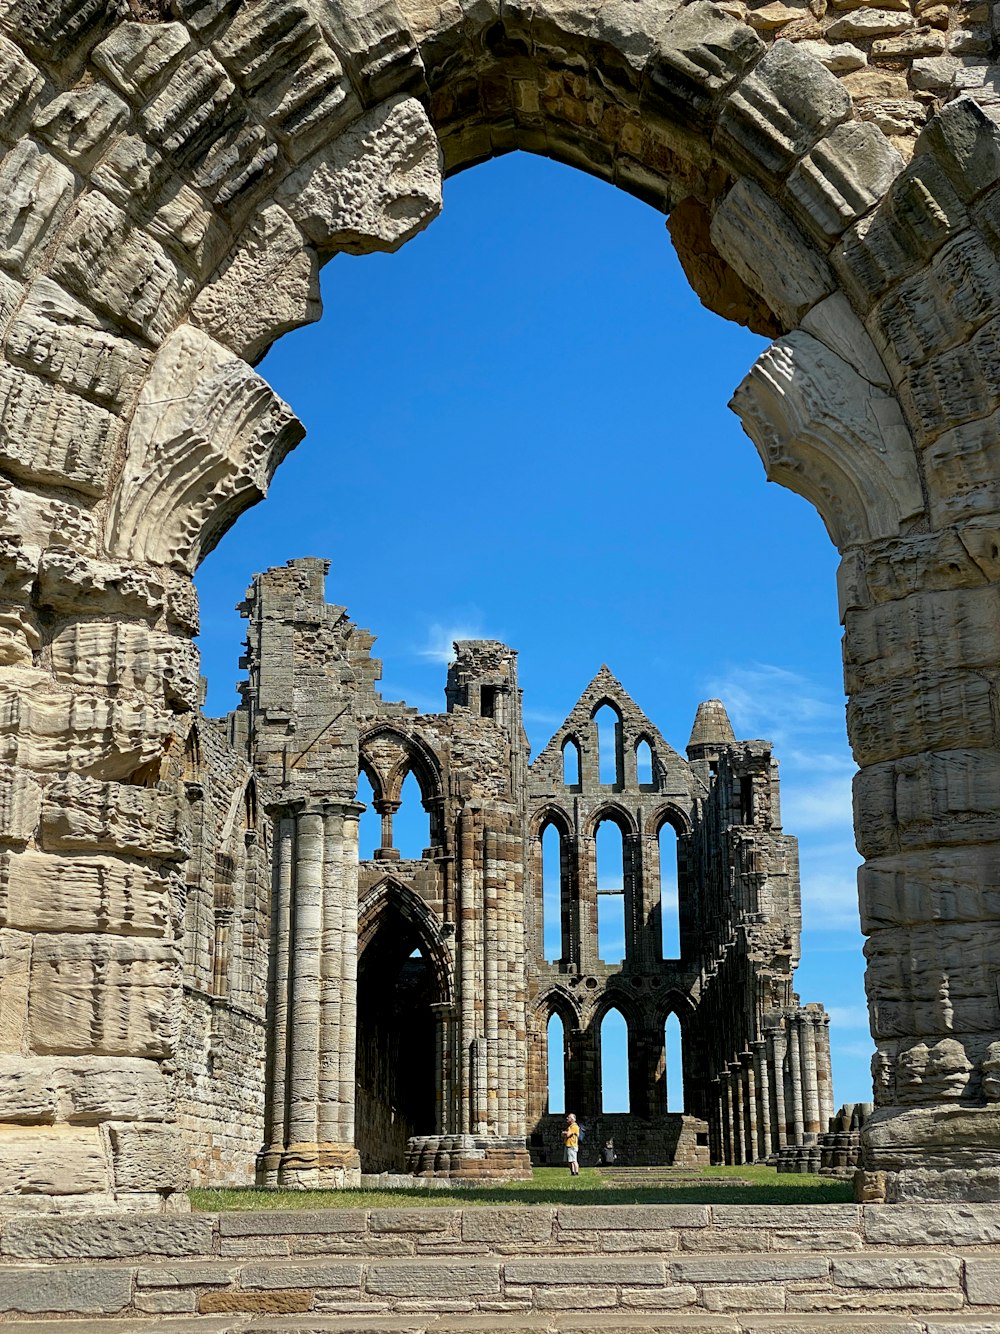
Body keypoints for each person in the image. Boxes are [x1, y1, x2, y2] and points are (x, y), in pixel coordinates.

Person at [562, 1112, 580, 1176]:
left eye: (569, 1117)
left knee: (573, 1160)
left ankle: (576, 1172)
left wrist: (565, 1133)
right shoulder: (570, 1127)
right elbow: (564, 1134)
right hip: (568, 1145)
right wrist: (565, 1133)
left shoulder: (574, 1126)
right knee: (570, 1160)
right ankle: (572, 1172)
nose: (567, 1118)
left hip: (572, 1145)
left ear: (572, 1119)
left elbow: (568, 1134)